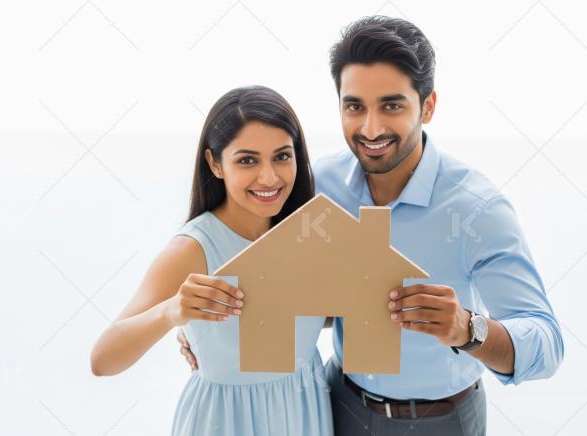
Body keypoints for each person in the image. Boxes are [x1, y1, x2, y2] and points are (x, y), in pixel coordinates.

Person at [180, 16, 565, 435]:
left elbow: (546, 344)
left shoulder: (478, 208)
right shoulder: (315, 187)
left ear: (428, 106)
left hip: (443, 420)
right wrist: (208, 335)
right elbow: (281, 284)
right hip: (335, 407)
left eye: (392, 105)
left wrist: (465, 328)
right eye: (355, 106)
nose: (371, 128)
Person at [90, 85, 333, 435]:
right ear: (215, 163)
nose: (269, 177)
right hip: (225, 422)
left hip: (305, 413)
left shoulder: (308, 231)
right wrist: (172, 312)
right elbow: (103, 360)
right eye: (247, 160)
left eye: (282, 156)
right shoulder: (193, 249)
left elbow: (309, 317)